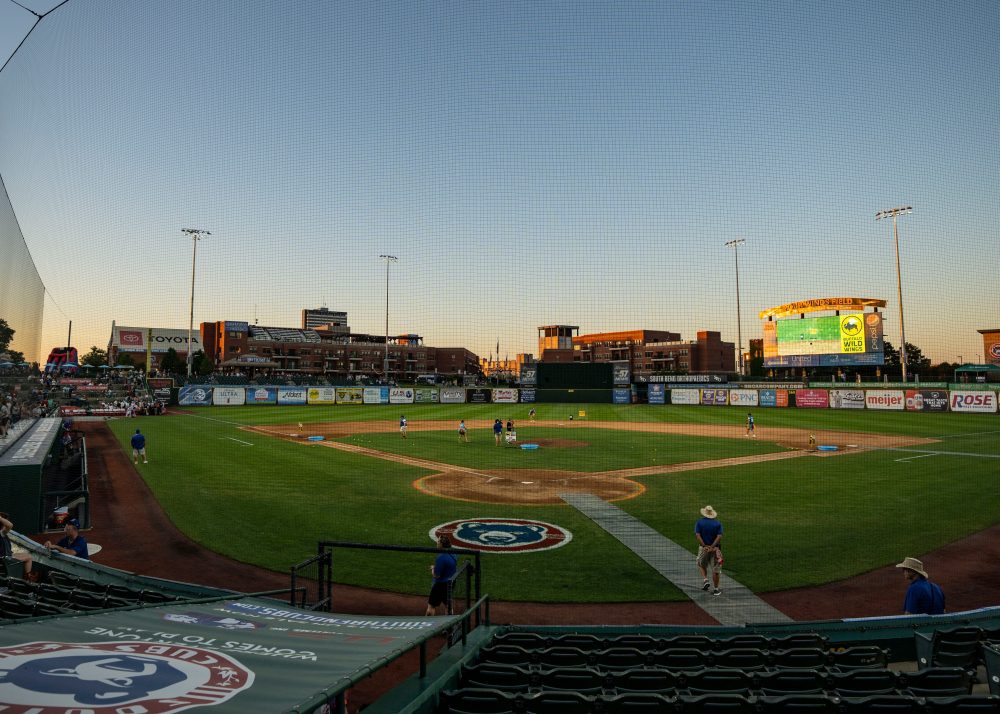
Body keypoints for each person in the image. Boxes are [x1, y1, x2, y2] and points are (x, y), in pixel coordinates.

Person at [425, 534, 458, 616]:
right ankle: (450, 626)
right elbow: (448, 566)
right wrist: (437, 567)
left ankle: (427, 625)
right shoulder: (453, 554)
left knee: (431, 606)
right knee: (448, 606)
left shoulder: (441, 558)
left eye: (438, 541)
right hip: (451, 583)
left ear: (441, 544)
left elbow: (436, 575)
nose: (437, 542)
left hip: (440, 585)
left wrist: (433, 569)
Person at [695, 505, 723, 596]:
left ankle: (705, 580)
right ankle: (716, 589)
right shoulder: (718, 523)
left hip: (703, 548)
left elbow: (698, 535)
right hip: (715, 549)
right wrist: (712, 546)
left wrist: (704, 546)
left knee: (700, 563)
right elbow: (719, 536)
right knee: (716, 570)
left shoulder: (699, 522)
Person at [0, 512, 33, 577]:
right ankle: (28, 579)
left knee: (24, 555)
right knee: (28, 557)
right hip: (5, 559)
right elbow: (10, 525)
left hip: (5, 557)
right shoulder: (1, 532)